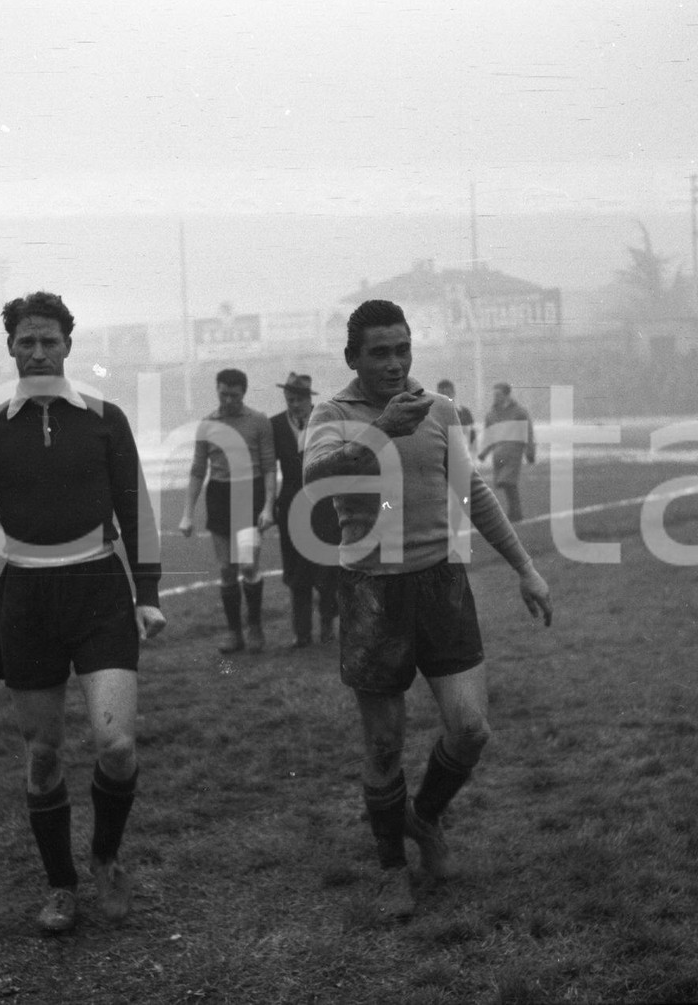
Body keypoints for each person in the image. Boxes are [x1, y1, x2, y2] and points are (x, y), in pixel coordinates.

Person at [303, 300, 552, 921]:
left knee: (470, 728)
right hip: (372, 593)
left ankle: (426, 817)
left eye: (402, 348)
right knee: (384, 744)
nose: (394, 362)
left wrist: (526, 568)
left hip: (442, 584)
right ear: (353, 358)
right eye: (379, 352)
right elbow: (316, 480)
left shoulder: (440, 412)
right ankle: (392, 865)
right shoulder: (332, 414)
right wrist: (382, 430)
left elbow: (474, 493)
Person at [0, 291, 166, 933]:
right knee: (42, 754)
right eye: (25, 341)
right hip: (28, 599)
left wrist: (145, 594)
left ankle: (105, 857)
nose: (38, 352)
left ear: (69, 345)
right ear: (10, 346)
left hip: (98, 590)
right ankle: (61, 886)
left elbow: (136, 509)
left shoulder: (104, 417)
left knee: (116, 744)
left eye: (49, 340)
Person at [179, 369, 276, 653]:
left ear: (243, 394)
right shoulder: (207, 424)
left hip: (250, 494)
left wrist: (269, 506)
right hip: (220, 495)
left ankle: (255, 627)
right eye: (223, 394)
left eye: (234, 395)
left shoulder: (258, 421)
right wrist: (187, 513)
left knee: (247, 565)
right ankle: (234, 634)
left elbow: (270, 466)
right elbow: (198, 470)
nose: (228, 400)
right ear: (217, 390)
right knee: (226, 568)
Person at [270, 373, 341, 648]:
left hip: (324, 504)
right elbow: (268, 468)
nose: (294, 404)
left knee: (327, 568)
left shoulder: (326, 422)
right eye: (290, 399)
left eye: (299, 399)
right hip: (290, 504)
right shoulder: (275, 425)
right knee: (296, 570)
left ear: (309, 399)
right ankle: (301, 632)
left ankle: (326, 624)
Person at [479, 382, 535, 522]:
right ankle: (515, 512)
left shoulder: (519, 412)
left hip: (514, 453)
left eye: (498, 394)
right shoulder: (491, 414)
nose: (495, 397)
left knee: (508, 481)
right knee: (504, 483)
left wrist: (530, 451)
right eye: (494, 394)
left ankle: (515, 513)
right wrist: (484, 452)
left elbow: (528, 432)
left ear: (507, 395)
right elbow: (489, 435)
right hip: (499, 454)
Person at [436, 379, 476, 452]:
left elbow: (472, 437)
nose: (445, 397)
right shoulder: (433, 414)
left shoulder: (464, 413)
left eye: (447, 393)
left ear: (453, 393)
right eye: (441, 394)